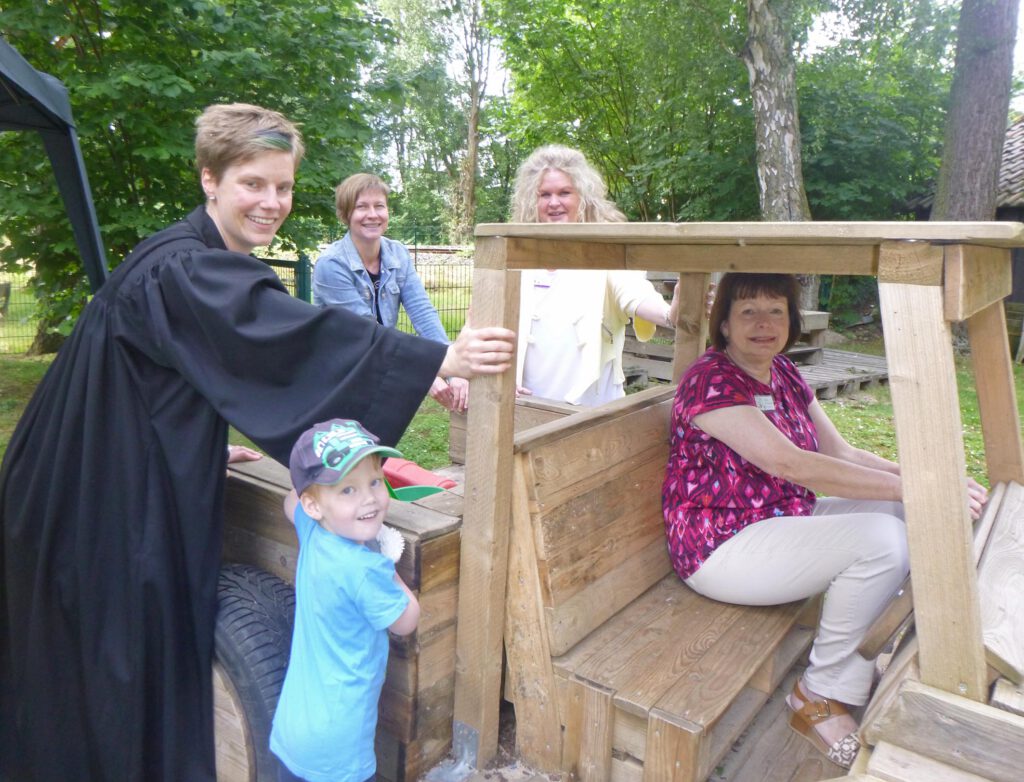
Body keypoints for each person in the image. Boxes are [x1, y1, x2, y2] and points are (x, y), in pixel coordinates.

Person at [0, 103, 514, 782]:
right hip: (90, 501)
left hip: (87, 469)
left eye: (284, 186)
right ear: (209, 179)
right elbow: (288, 339)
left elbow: (143, 380)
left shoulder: (184, 258)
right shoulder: (188, 269)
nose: (271, 202)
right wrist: (437, 360)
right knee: (108, 662)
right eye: (253, 183)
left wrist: (200, 448)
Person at [661, 272, 987, 768]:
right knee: (881, 538)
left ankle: (886, 650)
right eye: (748, 311)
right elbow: (790, 464)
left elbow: (842, 452)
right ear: (723, 323)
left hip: (781, 517)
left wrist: (924, 479)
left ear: (792, 320)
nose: (764, 323)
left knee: (899, 510)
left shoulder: (785, 373)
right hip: (720, 544)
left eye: (776, 310)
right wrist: (922, 489)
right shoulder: (712, 380)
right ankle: (817, 695)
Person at [271, 418, 419, 782]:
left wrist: (328, 500)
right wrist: (386, 556)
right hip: (339, 750)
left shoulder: (312, 529)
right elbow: (407, 619)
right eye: (347, 490)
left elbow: (291, 502)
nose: (369, 498)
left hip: (292, 732)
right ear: (316, 505)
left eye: (374, 481)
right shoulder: (366, 570)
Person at [509, 144, 681, 406]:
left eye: (564, 193)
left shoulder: (606, 257)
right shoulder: (518, 258)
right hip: (525, 413)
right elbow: (481, 326)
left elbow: (637, 295)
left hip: (590, 419)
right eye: (544, 194)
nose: (554, 203)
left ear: (584, 198)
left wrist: (672, 313)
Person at [313, 173, 469, 413]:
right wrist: (426, 372)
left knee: (380, 443)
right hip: (339, 379)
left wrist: (452, 369)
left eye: (379, 206)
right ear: (346, 214)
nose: (372, 214)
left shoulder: (397, 253)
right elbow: (368, 333)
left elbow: (422, 311)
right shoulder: (331, 264)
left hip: (379, 373)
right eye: (361, 207)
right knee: (352, 447)